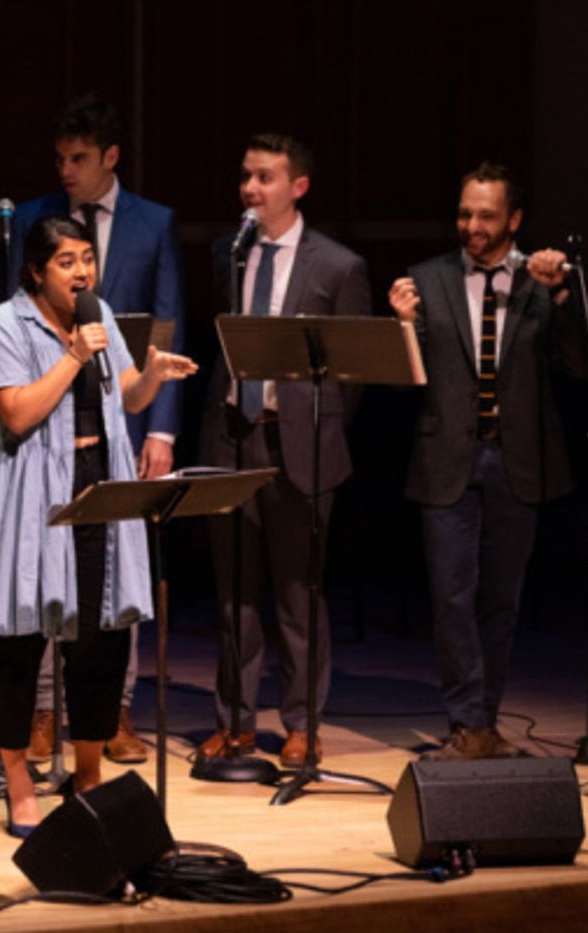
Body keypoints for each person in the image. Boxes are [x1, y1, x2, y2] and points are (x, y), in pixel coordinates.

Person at [0, 216, 196, 836]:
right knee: (19, 643)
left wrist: (151, 375)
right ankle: (19, 781)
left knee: (100, 638)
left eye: (87, 257)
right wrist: (72, 356)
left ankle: (87, 774)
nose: (83, 271)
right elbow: (16, 414)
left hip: (97, 484)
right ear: (37, 271)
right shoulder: (4, 324)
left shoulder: (99, 314)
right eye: (67, 261)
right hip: (29, 494)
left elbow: (127, 397)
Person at [5, 94, 187, 764]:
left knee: (116, 572)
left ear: (110, 157)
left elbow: (166, 324)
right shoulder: (33, 221)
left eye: (78, 158)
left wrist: (160, 430)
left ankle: (114, 713)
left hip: (114, 425)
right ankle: (45, 710)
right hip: (46, 428)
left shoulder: (154, 223)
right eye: (59, 158)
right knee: (49, 572)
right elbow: (12, 325)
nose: (66, 170)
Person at [388, 162, 585, 761]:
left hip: (517, 459)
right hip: (448, 456)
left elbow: (577, 365)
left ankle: (485, 720)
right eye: (465, 213)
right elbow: (403, 381)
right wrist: (403, 327)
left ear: (514, 220)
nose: (472, 226)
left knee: (501, 600)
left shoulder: (539, 281)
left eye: (486, 216)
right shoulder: (428, 279)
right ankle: (467, 723)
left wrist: (562, 294)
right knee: (452, 597)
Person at [196, 134, 371, 768]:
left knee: (299, 595)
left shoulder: (337, 266)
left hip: (297, 444)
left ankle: (302, 723)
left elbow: (352, 377)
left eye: (264, 177)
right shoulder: (229, 252)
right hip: (231, 438)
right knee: (233, 594)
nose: (250, 188)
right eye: (246, 175)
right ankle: (236, 722)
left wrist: (311, 428)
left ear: (298, 187)